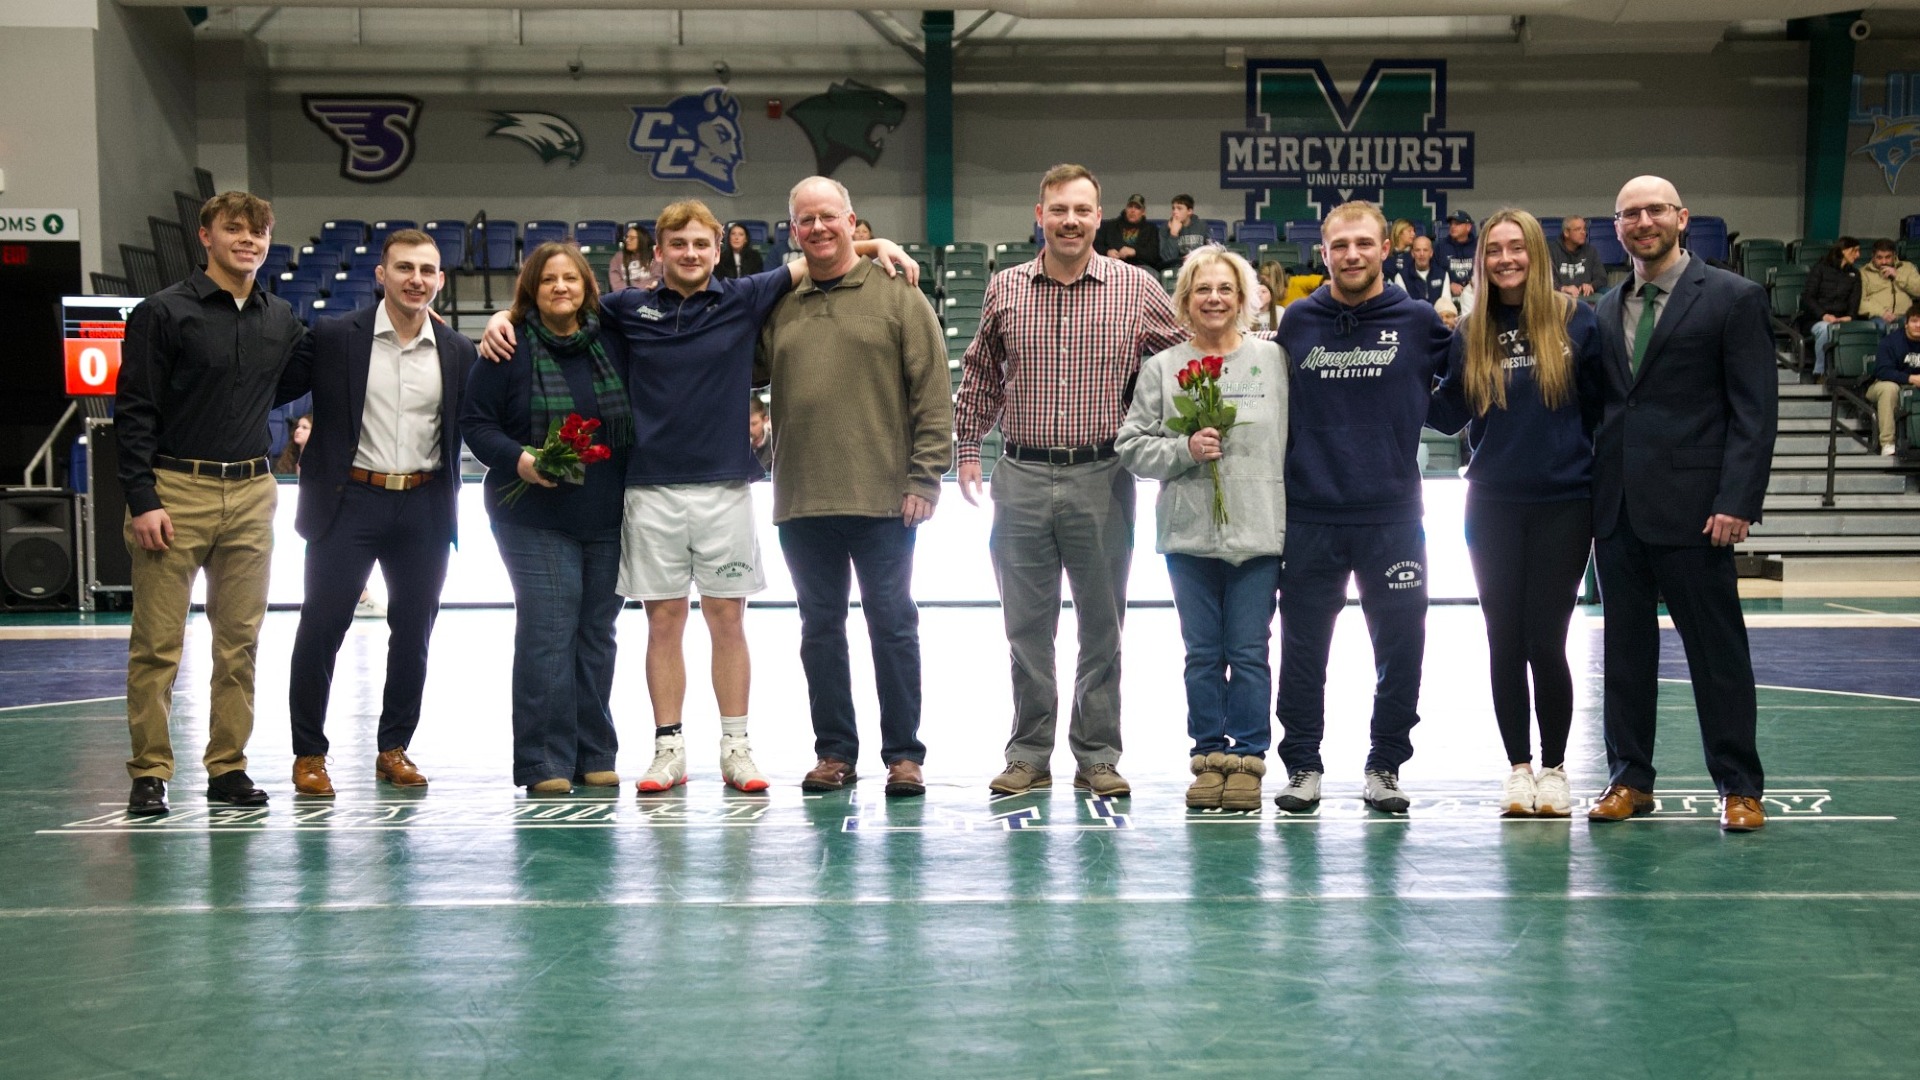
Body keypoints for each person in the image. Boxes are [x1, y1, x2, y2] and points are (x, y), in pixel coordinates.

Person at [479, 201, 917, 795]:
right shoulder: (624, 309)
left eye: (701, 245)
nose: (690, 254)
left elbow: (821, 256)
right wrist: (502, 318)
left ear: (718, 252)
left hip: (726, 490)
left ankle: (737, 747)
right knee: (664, 622)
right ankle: (668, 750)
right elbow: (558, 302)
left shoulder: (742, 297)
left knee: (727, 621)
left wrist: (875, 245)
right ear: (657, 254)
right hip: (649, 491)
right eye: (678, 244)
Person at [955, 163, 1185, 797]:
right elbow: (978, 371)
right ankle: (1028, 752)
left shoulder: (1135, 287)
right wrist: (968, 447)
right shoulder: (1005, 288)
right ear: (1040, 214)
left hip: (1103, 475)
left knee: (1102, 626)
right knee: (1025, 628)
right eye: (1058, 209)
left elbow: (1189, 354)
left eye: (1082, 210)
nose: (1070, 220)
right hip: (1021, 474)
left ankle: (1098, 754)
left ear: (1098, 215)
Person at [115, 190, 313, 816]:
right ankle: (150, 772)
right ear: (206, 236)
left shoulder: (280, 317)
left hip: (253, 493)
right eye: (234, 229)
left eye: (258, 232)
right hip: (175, 490)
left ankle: (227, 768)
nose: (248, 240)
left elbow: (329, 360)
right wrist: (143, 497)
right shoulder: (161, 313)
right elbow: (135, 410)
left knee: (240, 642)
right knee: (157, 644)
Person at [1588, 175, 1777, 832]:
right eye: (1630, 213)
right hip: (1617, 513)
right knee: (1625, 655)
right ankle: (1629, 778)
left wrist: (1737, 500)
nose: (1643, 220)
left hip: (1700, 511)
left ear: (1682, 218)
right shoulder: (1605, 309)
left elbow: (1755, 411)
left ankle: (1739, 786)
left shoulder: (1733, 298)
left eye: (1655, 209)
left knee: (1717, 654)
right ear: (1617, 228)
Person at [758, 176, 953, 797]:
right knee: (819, 631)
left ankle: (903, 755)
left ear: (852, 221)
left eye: (828, 217)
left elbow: (932, 391)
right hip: (802, 497)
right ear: (792, 231)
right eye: (804, 220)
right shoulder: (779, 303)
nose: (818, 228)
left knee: (892, 624)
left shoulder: (898, 294)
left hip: (884, 497)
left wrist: (925, 476)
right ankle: (835, 752)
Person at [274, 229, 473, 797]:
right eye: (405, 268)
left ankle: (394, 748)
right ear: (381, 275)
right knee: (321, 630)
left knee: (413, 634)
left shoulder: (458, 350)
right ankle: (309, 753)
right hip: (348, 501)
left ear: (439, 279)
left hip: (425, 504)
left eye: (428, 270)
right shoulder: (337, 336)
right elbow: (273, 383)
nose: (417, 279)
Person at [1270, 200, 1453, 816]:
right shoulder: (1297, 321)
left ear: (1385, 250)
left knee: (1401, 646)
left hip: (1394, 519)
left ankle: (1385, 764)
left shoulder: (1421, 320)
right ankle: (1302, 765)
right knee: (1301, 649)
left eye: (1364, 244)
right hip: (1310, 516)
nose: (1352, 255)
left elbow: (1456, 407)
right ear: (1323, 252)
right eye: (1339, 245)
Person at [1427, 208, 1603, 818]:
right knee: (1503, 639)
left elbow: (1606, 409)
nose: (1505, 258)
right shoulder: (1470, 331)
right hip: (1492, 506)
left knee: (1547, 640)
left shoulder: (1577, 320)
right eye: (1493, 250)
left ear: (1535, 252)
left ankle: (1554, 769)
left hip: (1564, 503)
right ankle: (1518, 769)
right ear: (1482, 261)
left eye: (1515, 247)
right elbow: (1446, 415)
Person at [1116, 247, 1287, 811]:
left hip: (1259, 531)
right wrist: (1184, 449)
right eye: (1202, 289)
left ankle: (1249, 760)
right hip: (1189, 536)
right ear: (1186, 300)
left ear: (1243, 298)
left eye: (1225, 289)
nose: (1214, 299)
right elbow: (1132, 447)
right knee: (1202, 655)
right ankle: (1209, 758)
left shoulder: (1274, 362)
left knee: (1250, 650)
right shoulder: (1162, 368)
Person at [463, 242, 632, 794]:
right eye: (548, 280)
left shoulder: (613, 341)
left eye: (571, 278)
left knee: (597, 634)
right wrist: (521, 459)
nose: (561, 287)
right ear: (531, 290)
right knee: (549, 629)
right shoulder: (506, 347)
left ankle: (595, 751)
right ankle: (544, 762)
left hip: (608, 515)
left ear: (587, 286)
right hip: (531, 513)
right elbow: (477, 423)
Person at [1802, 237, 1862, 375]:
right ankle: (1820, 372)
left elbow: (1854, 301)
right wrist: (1824, 315)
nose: (1858, 255)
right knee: (1825, 329)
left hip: (1842, 319)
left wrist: (1850, 317)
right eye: (1855, 251)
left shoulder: (1855, 274)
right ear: (1843, 250)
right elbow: (1808, 297)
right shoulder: (1820, 269)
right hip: (1817, 319)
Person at [1867, 302, 1920, 455]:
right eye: (1914, 321)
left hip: (1913, 386)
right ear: (1906, 324)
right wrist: (1910, 378)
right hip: (1882, 385)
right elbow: (1883, 371)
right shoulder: (1891, 342)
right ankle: (1888, 443)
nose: (1918, 325)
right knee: (1889, 388)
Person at [1858, 239, 1920, 330]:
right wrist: (1882, 312)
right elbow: (1860, 301)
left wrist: (1897, 276)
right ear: (1873, 256)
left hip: (1906, 315)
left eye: (1888, 257)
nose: (1884, 262)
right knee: (1881, 327)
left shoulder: (1907, 267)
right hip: (1879, 317)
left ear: (1894, 255)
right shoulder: (1864, 273)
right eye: (1879, 257)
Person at [1093, 192, 1163, 271]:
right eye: (1130, 207)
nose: (1133, 210)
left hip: (1141, 267)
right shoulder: (1109, 226)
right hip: (1112, 265)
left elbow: (1154, 256)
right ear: (1126, 209)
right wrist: (1107, 252)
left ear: (1143, 212)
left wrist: (1135, 252)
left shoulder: (1151, 229)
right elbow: (1095, 246)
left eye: (1137, 208)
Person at [1551, 215, 1610, 299]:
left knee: (1608, 295)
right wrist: (1563, 288)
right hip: (1560, 296)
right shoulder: (1551, 251)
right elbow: (1545, 280)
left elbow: (1602, 277)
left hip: (1585, 296)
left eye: (1584, 229)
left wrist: (1591, 285)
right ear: (1566, 233)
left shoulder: (1591, 251)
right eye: (1578, 229)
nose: (1583, 232)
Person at [1160, 194, 1210, 269]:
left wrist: (1195, 256)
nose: (1174, 212)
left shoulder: (1202, 226)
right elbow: (1167, 259)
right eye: (1173, 208)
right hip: (1176, 268)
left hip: (1199, 265)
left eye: (1179, 209)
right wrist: (1173, 234)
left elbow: (1212, 249)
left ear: (1189, 211)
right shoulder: (1165, 228)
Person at [1435, 209, 1477, 297]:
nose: (1452, 227)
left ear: (1468, 227)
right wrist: (1449, 284)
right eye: (1451, 224)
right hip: (1447, 294)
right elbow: (1434, 271)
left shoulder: (1479, 246)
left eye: (1457, 224)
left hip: (1474, 293)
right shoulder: (1440, 247)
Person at [1397, 235, 1450, 303]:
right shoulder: (1401, 277)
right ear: (1412, 253)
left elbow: (1446, 305)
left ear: (1431, 253)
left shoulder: (1443, 274)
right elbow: (1404, 307)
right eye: (1417, 250)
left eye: (1425, 250)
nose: (1421, 254)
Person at [608, 224, 658, 292]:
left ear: (642, 239)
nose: (627, 240)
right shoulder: (618, 258)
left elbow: (656, 279)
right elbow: (616, 283)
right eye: (626, 237)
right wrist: (631, 293)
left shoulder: (655, 256)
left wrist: (638, 291)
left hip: (650, 295)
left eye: (632, 238)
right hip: (625, 297)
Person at [748, 393, 773, 474]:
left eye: (754, 424)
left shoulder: (775, 446)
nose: (750, 429)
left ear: (765, 420)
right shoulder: (737, 446)